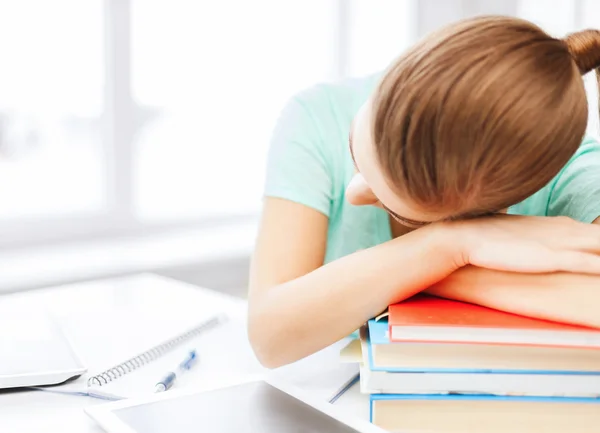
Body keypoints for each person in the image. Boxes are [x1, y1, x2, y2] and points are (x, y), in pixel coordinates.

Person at [248, 15, 600, 368]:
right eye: (354, 149)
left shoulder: (573, 173)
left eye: (391, 204)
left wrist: (438, 265)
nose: (355, 193)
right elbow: (270, 336)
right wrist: (448, 245)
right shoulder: (317, 116)